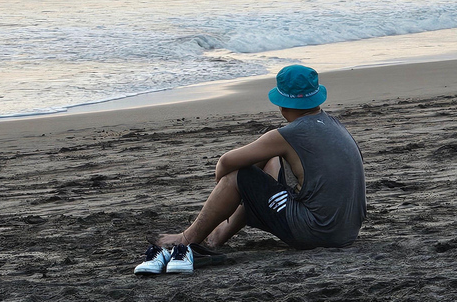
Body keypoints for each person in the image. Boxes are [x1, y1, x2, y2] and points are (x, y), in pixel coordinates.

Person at [134, 65, 366, 275]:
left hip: (316, 232)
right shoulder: (335, 125)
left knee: (240, 175)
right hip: (345, 232)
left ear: (282, 104)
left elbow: (226, 163)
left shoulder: (289, 134)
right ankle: (217, 237)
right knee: (264, 169)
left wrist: (225, 186)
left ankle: (186, 239)